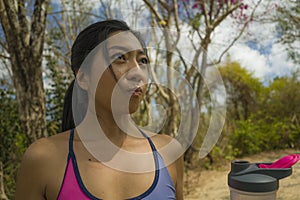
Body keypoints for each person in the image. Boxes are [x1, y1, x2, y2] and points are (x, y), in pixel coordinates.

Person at [15, 19, 184, 200]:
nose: (137, 72)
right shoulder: (44, 159)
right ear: (83, 77)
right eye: (120, 58)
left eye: (142, 61)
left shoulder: (168, 152)